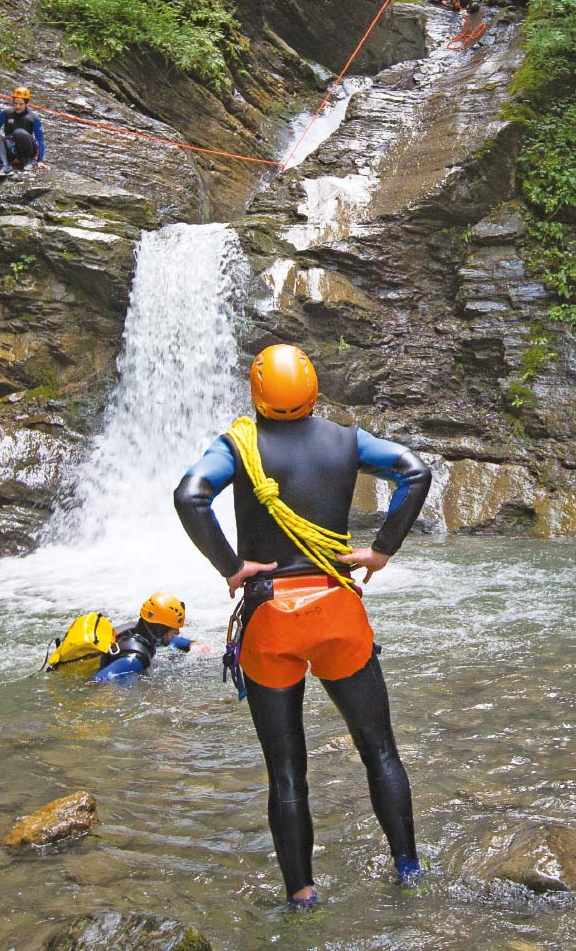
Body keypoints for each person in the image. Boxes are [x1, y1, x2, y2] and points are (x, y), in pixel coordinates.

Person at [173, 344, 432, 907]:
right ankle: (408, 869)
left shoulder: (236, 448)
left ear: (256, 391)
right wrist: (381, 549)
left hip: (271, 618)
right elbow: (415, 471)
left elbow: (190, 496)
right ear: (313, 388)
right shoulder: (347, 441)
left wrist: (232, 567)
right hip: (337, 610)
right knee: (380, 750)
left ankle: (302, 898)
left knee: (286, 771)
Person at [90, 593, 201, 683]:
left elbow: (169, 640)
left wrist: (191, 643)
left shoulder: (134, 629)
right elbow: (96, 682)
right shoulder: (134, 659)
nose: (177, 632)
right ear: (160, 628)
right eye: (173, 628)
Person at [0, 85, 45, 177]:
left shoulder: (33, 118)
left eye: (21, 104)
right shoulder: (6, 113)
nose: (17, 106)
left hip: (26, 147)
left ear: (26, 103)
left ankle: (28, 162)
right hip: (11, 147)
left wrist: (40, 160)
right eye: (15, 103)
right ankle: (5, 166)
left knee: (19, 132)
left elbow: (40, 140)